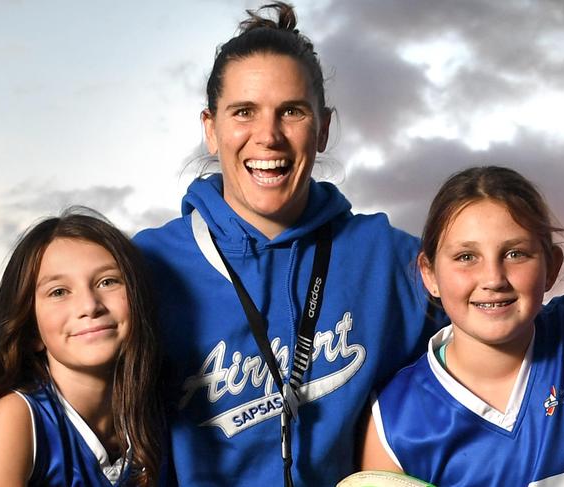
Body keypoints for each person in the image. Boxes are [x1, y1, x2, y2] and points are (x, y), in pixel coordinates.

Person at [133, 2, 441, 485]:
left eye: (292, 112)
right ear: (211, 130)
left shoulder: (389, 259)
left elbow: (514, 329)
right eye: (244, 112)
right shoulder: (145, 267)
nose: (269, 136)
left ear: (322, 129)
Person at [360, 166, 564, 485]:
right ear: (430, 274)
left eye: (516, 254)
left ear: (551, 266)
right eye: (466, 257)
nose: (493, 279)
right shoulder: (393, 426)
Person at [0, 210, 165, 486]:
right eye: (59, 292)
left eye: (107, 282)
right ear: (32, 329)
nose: (90, 306)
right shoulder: (18, 416)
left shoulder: (152, 405)